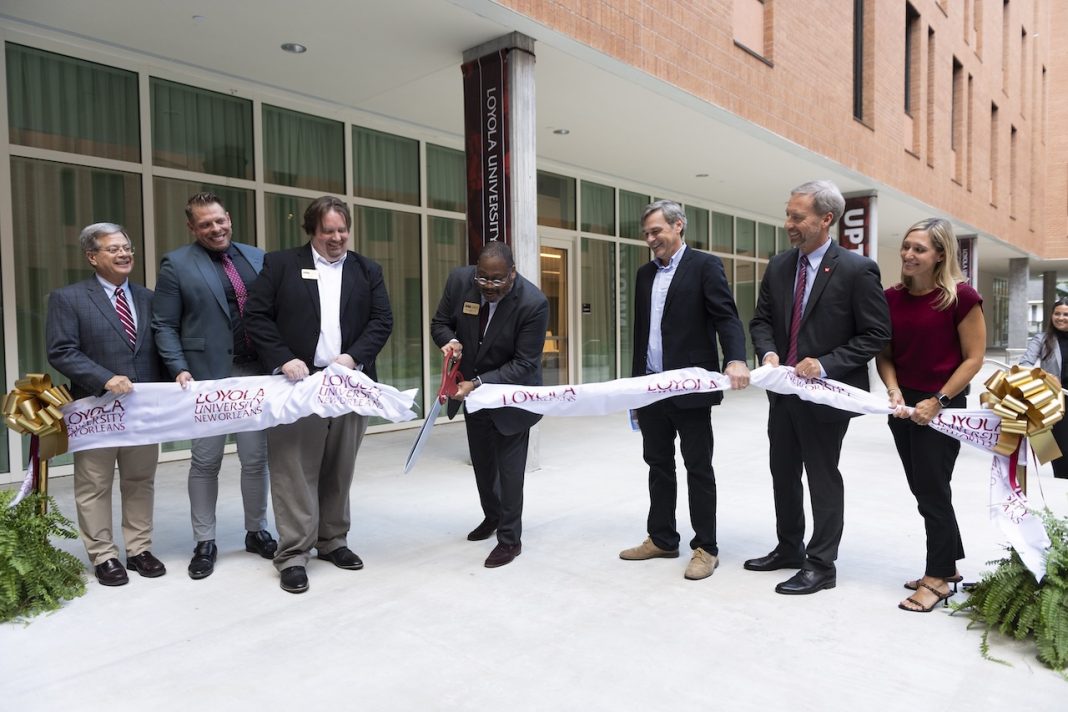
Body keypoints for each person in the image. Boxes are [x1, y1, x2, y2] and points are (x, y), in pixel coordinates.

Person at [748, 180, 890, 595]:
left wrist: (826, 364)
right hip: (783, 392)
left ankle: (821, 565)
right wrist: (769, 353)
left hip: (826, 397)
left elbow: (875, 334)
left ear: (826, 219)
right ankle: (788, 548)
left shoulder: (856, 269)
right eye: (788, 214)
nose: (788, 223)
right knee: (783, 473)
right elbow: (761, 321)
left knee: (821, 476)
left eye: (798, 217)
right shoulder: (778, 266)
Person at [244, 196, 392, 594]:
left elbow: (382, 320)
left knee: (338, 469)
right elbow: (256, 316)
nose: (337, 238)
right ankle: (293, 554)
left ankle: (332, 541)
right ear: (312, 230)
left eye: (343, 230)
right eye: (328, 231)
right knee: (294, 471)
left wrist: (353, 357)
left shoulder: (367, 270)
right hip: (297, 386)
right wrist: (282, 358)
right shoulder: (280, 265)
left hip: (348, 384)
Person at [618, 200, 750, 581]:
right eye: (646, 234)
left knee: (698, 467)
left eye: (656, 231)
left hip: (690, 388)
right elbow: (641, 335)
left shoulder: (705, 266)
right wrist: (635, 390)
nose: (650, 239)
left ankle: (705, 547)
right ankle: (661, 538)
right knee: (658, 465)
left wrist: (736, 359)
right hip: (652, 387)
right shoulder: (644, 275)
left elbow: (726, 317)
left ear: (678, 226)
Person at [152, 192, 276, 580]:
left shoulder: (257, 257)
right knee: (206, 461)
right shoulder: (176, 263)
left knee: (256, 460)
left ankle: (256, 531)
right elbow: (164, 324)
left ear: (230, 219)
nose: (215, 228)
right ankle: (204, 541)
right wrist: (177, 367)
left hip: (257, 375)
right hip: (207, 376)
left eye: (219, 221)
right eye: (205, 224)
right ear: (192, 227)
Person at [46, 223, 166, 586]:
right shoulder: (68, 298)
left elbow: (160, 348)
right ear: (92, 256)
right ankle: (103, 555)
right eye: (113, 248)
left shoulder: (148, 298)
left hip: (142, 412)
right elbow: (61, 350)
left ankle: (139, 549)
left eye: (127, 247)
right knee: (94, 484)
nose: (124, 253)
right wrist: (103, 378)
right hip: (96, 408)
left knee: (140, 480)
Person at [876, 218, 985, 612]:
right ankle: (948, 565)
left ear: (940, 254)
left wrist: (938, 399)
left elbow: (974, 359)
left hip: (943, 405)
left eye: (918, 249)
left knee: (934, 491)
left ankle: (937, 578)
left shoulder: (961, 297)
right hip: (903, 404)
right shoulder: (890, 298)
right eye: (906, 246)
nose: (908, 254)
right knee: (924, 489)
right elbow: (885, 354)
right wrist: (892, 388)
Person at [430, 242, 549, 568]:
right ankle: (492, 517)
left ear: (512, 273)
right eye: (483, 279)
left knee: (510, 474)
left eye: (497, 280)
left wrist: (478, 383)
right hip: (473, 397)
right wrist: (449, 342)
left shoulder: (533, 302)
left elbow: (525, 363)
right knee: (483, 465)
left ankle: (510, 540)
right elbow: (439, 323)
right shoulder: (459, 282)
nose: (489, 287)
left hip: (512, 398)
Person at [1021, 297, 1068, 479]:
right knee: (1061, 454)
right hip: (1055, 402)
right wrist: (1044, 376)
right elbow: (1024, 365)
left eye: (1066, 314)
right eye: (1057, 313)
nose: (1061, 318)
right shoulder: (1042, 338)